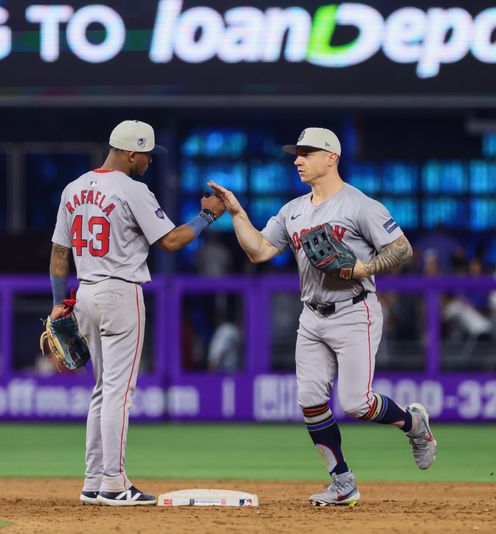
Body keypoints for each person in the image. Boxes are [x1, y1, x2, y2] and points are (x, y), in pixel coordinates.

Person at [209, 127, 437, 506]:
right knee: (311, 400)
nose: (297, 160)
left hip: (354, 311)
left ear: (331, 157)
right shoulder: (294, 210)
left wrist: (363, 269)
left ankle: (414, 424)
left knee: (356, 404)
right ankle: (342, 483)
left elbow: (402, 248)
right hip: (312, 315)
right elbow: (260, 251)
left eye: (306, 153)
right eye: (296, 154)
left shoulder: (359, 205)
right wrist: (236, 213)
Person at [49, 120, 224, 506]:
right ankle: (113, 482)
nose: (148, 161)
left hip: (85, 294)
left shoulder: (73, 188)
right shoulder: (133, 189)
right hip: (120, 292)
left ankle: (93, 480)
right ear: (131, 153)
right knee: (118, 392)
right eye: (146, 155)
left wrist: (60, 300)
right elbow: (173, 242)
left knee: (101, 390)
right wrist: (208, 216)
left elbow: (60, 253)